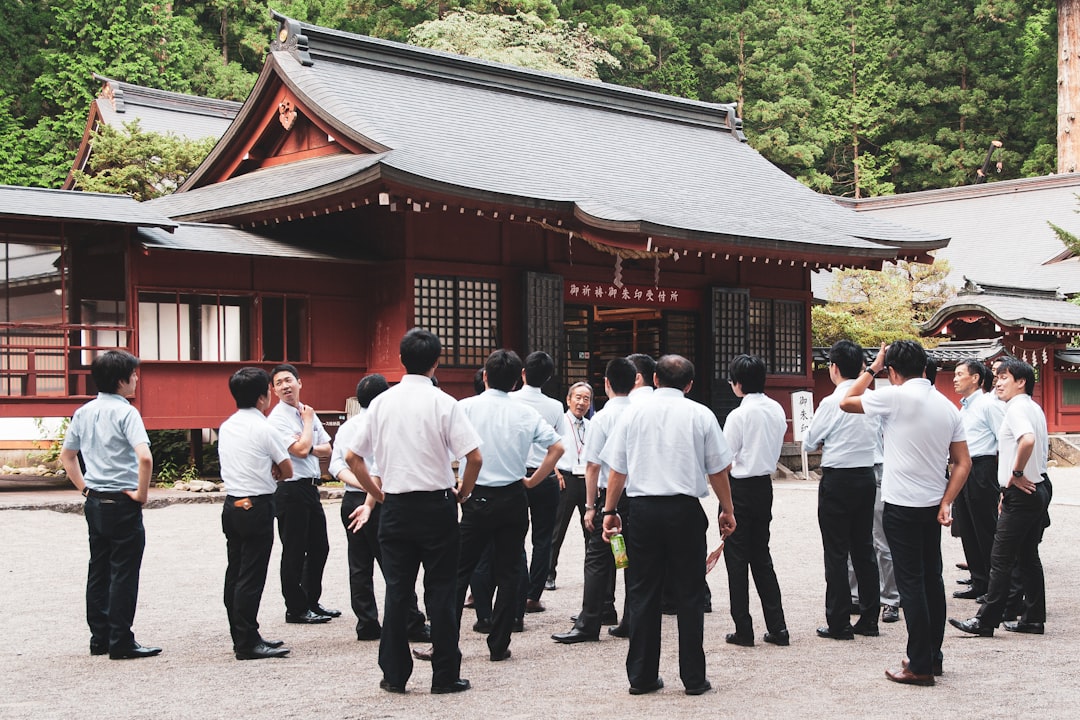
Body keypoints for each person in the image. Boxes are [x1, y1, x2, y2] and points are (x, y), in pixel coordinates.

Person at [345, 328, 482, 694]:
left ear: (401, 360)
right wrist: (463, 493)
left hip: (397, 506)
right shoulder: (444, 402)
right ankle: (445, 674)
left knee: (397, 591)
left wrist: (377, 492)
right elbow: (475, 456)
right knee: (441, 590)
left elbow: (351, 457)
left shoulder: (381, 404)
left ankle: (394, 674)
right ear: (436, 361)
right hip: (437, 505)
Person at [601, 354, 735, 696]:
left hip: (643, 510)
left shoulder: (633, 412)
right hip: (685, 510)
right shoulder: (701, 414)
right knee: (689, 592)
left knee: (643, 591)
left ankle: (642, 676)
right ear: (689, 385)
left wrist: (609, 510)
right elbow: (718, 469)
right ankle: (693, 677)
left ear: (654, 379)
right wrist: (727, 509)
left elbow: (618, 470)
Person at [840, 340, 971, 686]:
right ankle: (933, 656)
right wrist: (946, 501)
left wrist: (872, 367)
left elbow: (846, 400)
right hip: (931, 505)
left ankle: (919, 665)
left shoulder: (895, 396)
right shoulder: (947, 407)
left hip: (900, 505)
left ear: (893, 372)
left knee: (910, 583)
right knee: (932, 579)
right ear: (926, 367)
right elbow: (963, 462)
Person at [456, 349, 564, 662]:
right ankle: (499, 642)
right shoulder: (526, 413)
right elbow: (557, 447)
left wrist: (460, 488)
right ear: (517, 380)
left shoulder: (466, 407)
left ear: (485, 376)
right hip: (513, 494)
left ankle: (446, 639)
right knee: (509, 569)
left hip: (476, 496)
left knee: (461, 570)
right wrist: (533, 480)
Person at [60, 350, 160, 660]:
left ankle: (99, 637)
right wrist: (142, 494)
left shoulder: (84, 412)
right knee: (124, 572)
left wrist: (85, 488)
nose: (136, 379)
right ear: (121, 380)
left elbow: (67, 456)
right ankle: (121, 640)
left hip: (96, 502)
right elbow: (144, 456)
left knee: (99, 570)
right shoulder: (127, 412)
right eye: (133, 375)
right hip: (122, 501)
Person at [949, 357, 1051, 637]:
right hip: (1037, 487)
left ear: (1021, 382)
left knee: (1001, 556)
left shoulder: (1016, 409)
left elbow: (1027, 440)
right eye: (998, 377)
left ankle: (986, 620)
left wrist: (1016, 473)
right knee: (1028, 556)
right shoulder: (1033, 407)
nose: (999, 382)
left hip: (1022, 490)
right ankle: (1032, 618)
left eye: (1005, 377)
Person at [330, 374, 429, 643]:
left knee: (359, 563)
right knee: (395, 565)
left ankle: (367, 623)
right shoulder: (386, 422)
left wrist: (360, 485)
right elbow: (387, 465)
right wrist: (372, 490)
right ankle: (411, 622)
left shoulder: (348, 427)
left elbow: (336, 465)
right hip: (383, 498)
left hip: (351, 498)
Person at [551, 357, 636, 644]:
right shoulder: (642, 412)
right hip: (638, 495)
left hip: (609, 496)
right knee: (633, 558)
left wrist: (590, 506)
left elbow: (593, 466)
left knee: (598, 558)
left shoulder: (602, 417)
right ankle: (630, 619)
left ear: (607, 383)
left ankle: (590, 621)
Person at [804, 340, 880, 640]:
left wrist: (825, 439)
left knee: (836, 552)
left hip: (837, 479)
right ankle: (870, 618)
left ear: (833, 368)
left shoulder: (830, 402)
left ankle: (839, 622)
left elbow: (810, 441)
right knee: (864, 548)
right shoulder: (872, 400)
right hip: (865, 475)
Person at [217, 367, 293, 660]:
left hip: (232, 502)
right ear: (264, 397)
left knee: (235, 571)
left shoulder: (227, 426)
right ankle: (247, 642)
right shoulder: (265, 428)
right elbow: (287, 469)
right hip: (258, 504)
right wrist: (272, 471)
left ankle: (242, 634)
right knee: (251, 575)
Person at [721, 354, 790, 648]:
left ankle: (743, 629)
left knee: (736, 559)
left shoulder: (738, 415)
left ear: (737, 384)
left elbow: (724, 459)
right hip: (764, 485)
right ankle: (778, 627)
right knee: (761, 556)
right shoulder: (775, 409)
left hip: (739, 488)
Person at [267, 364, 338, 624]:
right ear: (273, 390)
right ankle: (295, 608)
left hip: (310, 487)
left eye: (289, 380)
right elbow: (299, 450)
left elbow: (327, 449)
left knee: (320, 546)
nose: (285, 386)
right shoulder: (278, 418)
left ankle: (311, 600)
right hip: (290, 489)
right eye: (279, 383)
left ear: (300, 382)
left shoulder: (306, 410)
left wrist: (306, 442)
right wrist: (307, 430)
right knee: (294, 550)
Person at [509, 351, 570, 615]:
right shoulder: (556, 406)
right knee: (543, 537)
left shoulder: (510, 400)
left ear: (523, 373)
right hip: (544, 475)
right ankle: (533, 595)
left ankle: (519, 589)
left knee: (515, 535)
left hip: (516, 475)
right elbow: (559, 444)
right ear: (547, 378)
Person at [950, 360, 1005, 602]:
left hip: (982, 468)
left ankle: (996, 586)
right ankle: (979, 580)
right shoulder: (964, 408)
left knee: (985, 527)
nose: (955, 378)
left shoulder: (987, 404)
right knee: (968, 528)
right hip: (965, 467)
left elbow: (1003, 440)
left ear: (975, 378)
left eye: (960, 374)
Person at [547, 381, 593, 591]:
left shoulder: (592, 425)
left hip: (587, 480)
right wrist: (554, 471)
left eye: (586, 399)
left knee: (591, 531)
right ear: (568, 399)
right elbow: (546, 448)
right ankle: (549, 574)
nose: (581, 403)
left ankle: (592, 576)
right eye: (578, 397)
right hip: (565, 479)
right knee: (557, 530)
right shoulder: (559, 422)